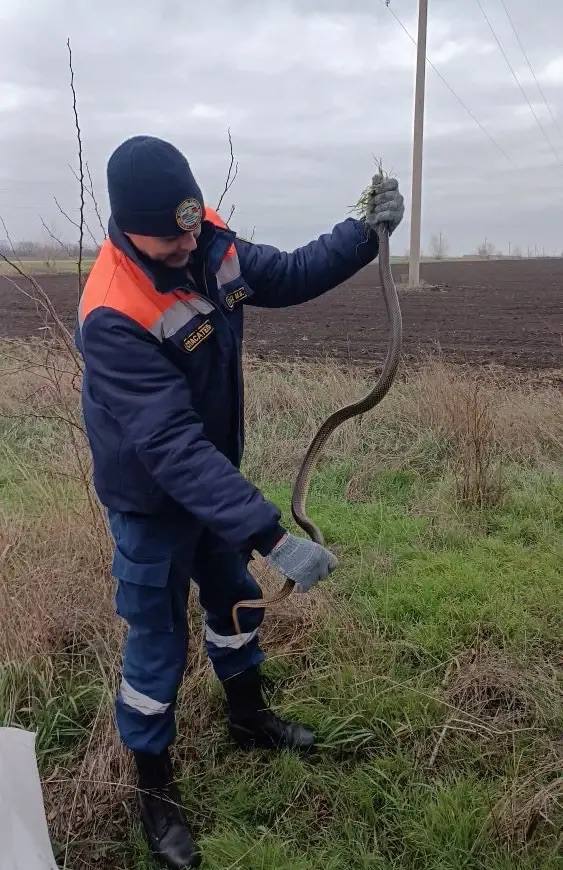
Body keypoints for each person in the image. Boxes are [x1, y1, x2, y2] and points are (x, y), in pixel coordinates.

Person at [77, 135, 404, 869]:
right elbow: (171, 446)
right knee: (156, 642)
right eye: (172, 237)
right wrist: (271, 535)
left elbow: (286, 273)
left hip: (213, 486)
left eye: (193, 226)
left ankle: (249, 717)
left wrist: (364, 231)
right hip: (153, 503)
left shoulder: (205, 238)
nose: (188, 244)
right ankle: (154, 793)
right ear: (129, 227)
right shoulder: (114, 311)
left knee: (232, 601)